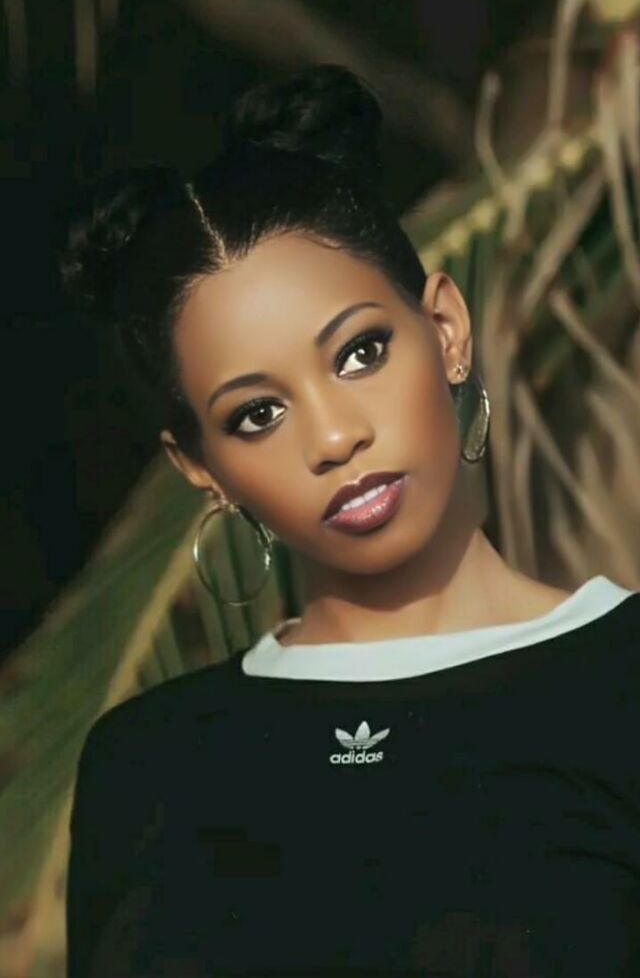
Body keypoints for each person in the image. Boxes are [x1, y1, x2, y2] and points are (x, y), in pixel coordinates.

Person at [62, 64, 639, 977]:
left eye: (361, 353)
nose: (335, 438)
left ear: (445, 329)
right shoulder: (146, 767)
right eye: (258, 413)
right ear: (201, 468)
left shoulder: (621, 683)